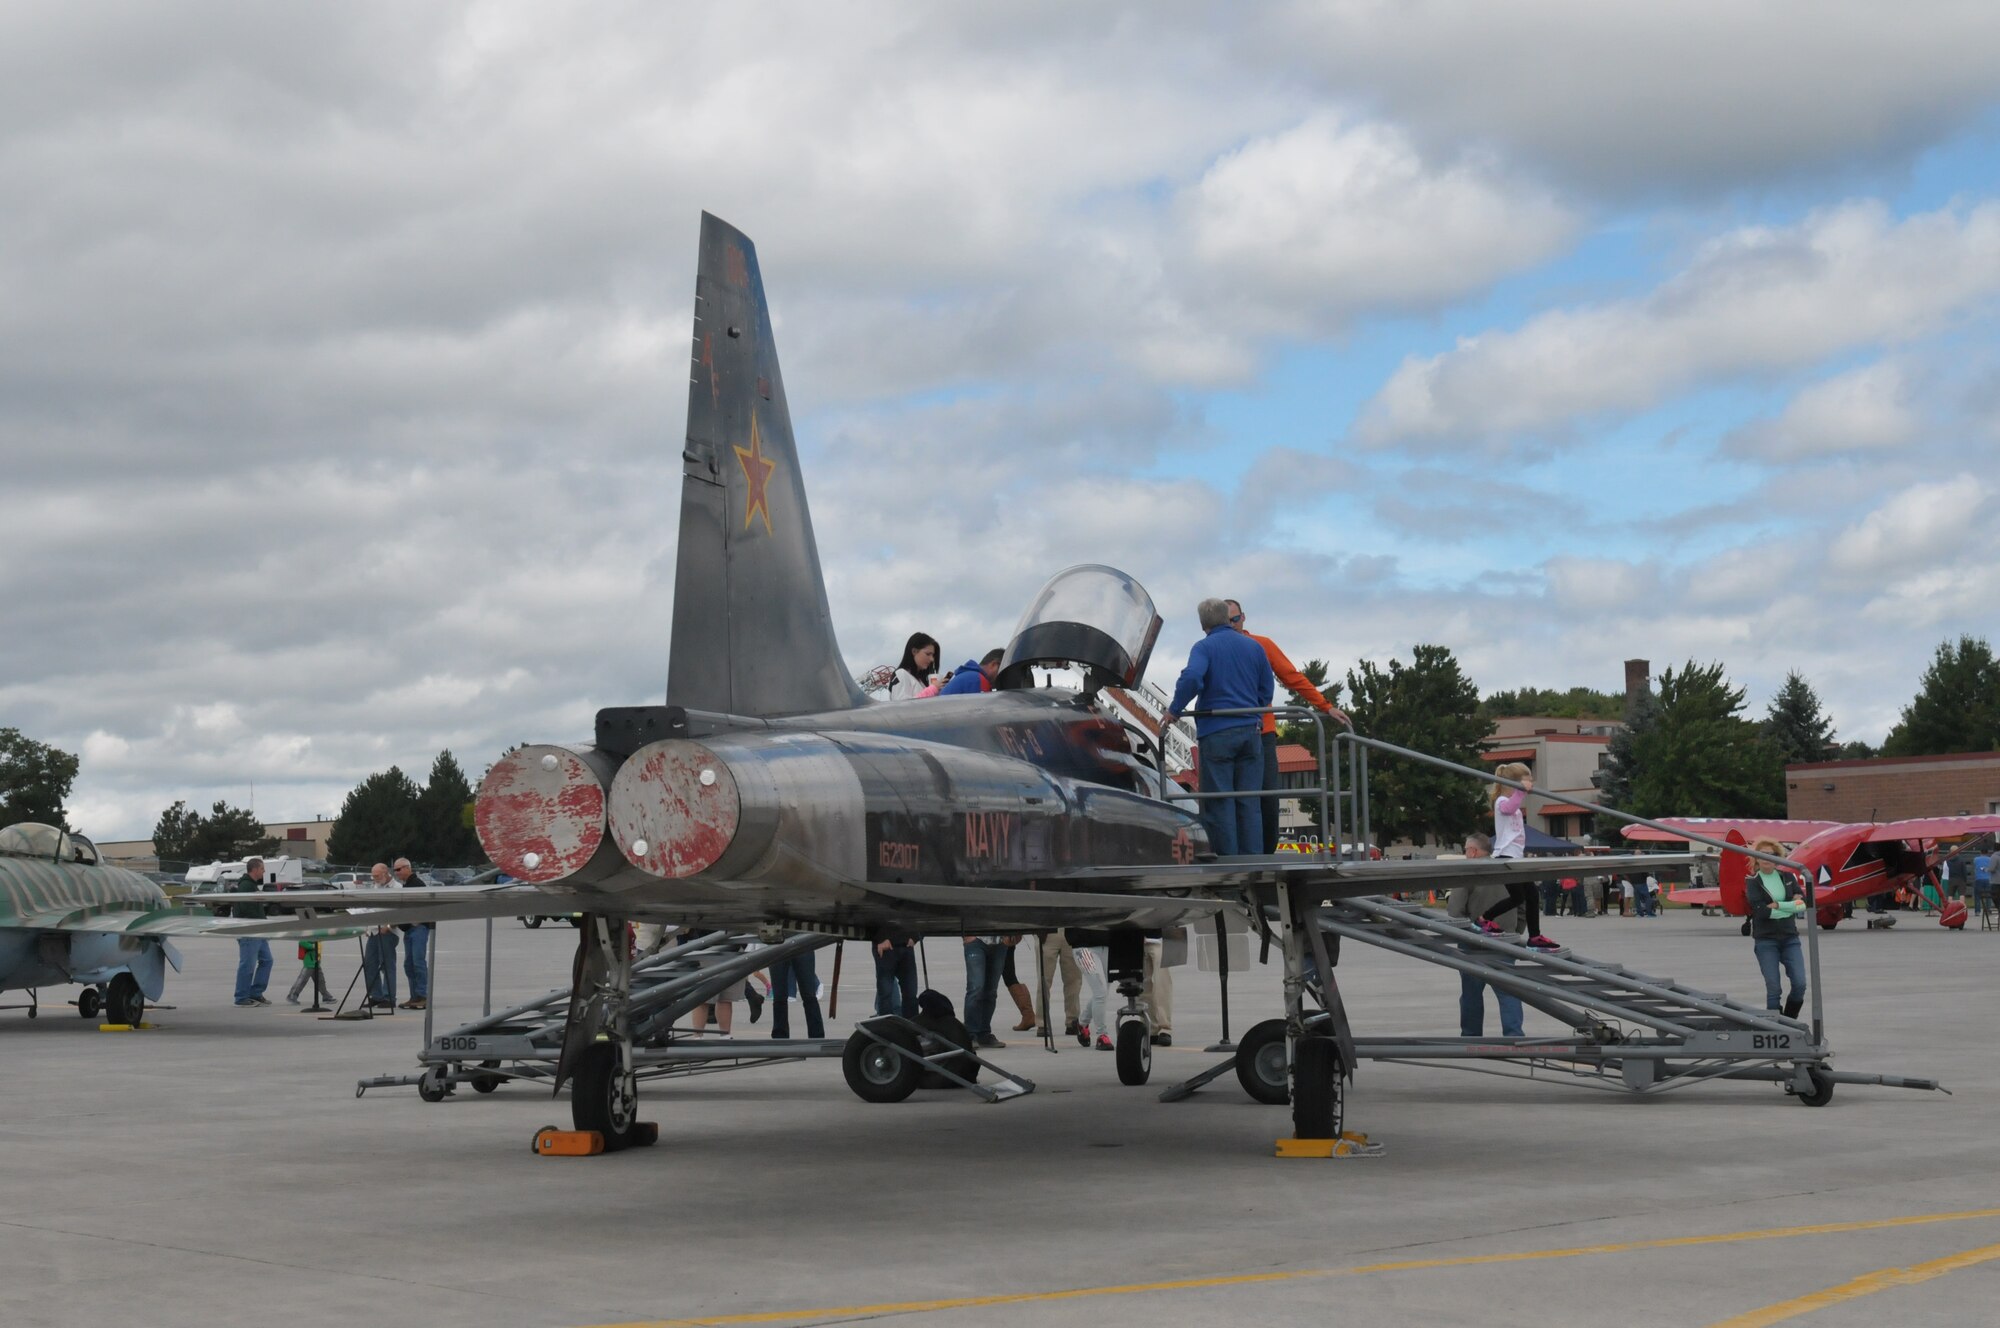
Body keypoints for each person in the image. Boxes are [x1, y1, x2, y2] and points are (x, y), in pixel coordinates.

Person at [1224, 600, 1348, 854]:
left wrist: (1325, 706)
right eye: (1226, 622)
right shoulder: (1214, 649)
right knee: (1227, 798)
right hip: (1226, 734)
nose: (1232, 625)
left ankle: (1265, 854)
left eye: (1235, 620)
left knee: (1267, 796)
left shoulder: (1262, 645)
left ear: (1244, 618)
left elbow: (1292, 677)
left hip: (1261, 733)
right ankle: (1231, 854)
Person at [1162, 598, 1274, 857]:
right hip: (1251, 732)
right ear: (1227, 617)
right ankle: (1252, 864)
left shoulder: (1204, 647)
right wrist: (1252, 710)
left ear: (1203, 624)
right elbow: (1267, 688)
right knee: (1249, 802)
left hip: (1217, 734)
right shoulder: (1254, 647)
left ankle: (1227, 864)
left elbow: (1191, 677)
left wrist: (1174, 710)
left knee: (1220, 802)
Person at [1447, 833, 1524, 1037]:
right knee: (1509, 992)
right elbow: (1524, 905)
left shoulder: (1468, 872)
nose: (1465, 854)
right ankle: (1514, 1035)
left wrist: (1466, 935)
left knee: (1471, 994)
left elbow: (1455, 911)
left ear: (1473, 851)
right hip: (1505, 942)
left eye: (1465, 850)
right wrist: (1515, 932)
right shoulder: (1508, 871)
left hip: (1473, 944)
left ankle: (1471, 1036)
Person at [1478, 763, 1557, 950]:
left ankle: (1534, 936)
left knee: (1527, 895)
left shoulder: (1512, 801)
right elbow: (1508, 808)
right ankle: (1485, 918)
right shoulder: (1501, 802)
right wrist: (1521, 792)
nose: (1531, 782)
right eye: (1528, 780)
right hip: (1505, 856)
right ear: (1514, 784)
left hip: (1515, 857)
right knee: (1522, 896)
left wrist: (1521, 792)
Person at [1746, 836, 1808, 1018]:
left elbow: (1803, 904)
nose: (1766, 858)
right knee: (1774, 988)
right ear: (1756, 857)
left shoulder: (1788, 877)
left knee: (1800, 984)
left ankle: (1789, 1021)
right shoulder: (1752, 881)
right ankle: (1774, 1024)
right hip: (1766, 940)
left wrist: (1779, 906)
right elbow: (1761, 912)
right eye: (1762, 854)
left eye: (1771, 854)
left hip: (1790, 938)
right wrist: (1790, 906)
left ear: (1778, 857)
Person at [227, 857, 274, 1006]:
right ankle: (241, 997)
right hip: (250, 931)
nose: (264, 871)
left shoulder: (252, 885)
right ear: (254, 869)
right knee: (247, 964)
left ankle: (255, 993)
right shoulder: (246, 886)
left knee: (267, 960)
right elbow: (246, 909)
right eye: (262, 868)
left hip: (259, 931)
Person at [358, 862, 400, 1010]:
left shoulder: (397, 888)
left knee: (387, 965)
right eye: (373, 876)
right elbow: (369, 907)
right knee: (369, 964)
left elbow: (399, 911)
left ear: (386, 873)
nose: (375, 878)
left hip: (387, 932)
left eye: (377, 876)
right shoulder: (375, 887)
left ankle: (389, 997)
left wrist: (388, 926)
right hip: (373, 931)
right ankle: (376, 995)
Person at [393, 857, 430, 1010]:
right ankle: (414, 996)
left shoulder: (417, 885)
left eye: (398, 869)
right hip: (409, 929)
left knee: (418, 962)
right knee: (409, 964)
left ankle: (423, 995)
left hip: (418, 928)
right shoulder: (407, 886)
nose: (397, 873)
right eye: (395, 870)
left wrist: (414, 921)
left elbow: (422, 907)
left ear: (408, 868)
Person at [767, 945, 825, 1040]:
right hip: (777, 942)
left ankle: (817, 1036)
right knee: (779, 996)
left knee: (809, 995)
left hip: (802, 942)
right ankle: (779, 1037)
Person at [961, 933, 1008, 1048]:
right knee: (976, 987)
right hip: (976, 939)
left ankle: (984, 1032)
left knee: (991, 990)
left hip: (1000, 941)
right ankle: (970, 1033)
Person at [1037, 931, 1082, 1037]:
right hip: (1048, 931)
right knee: (1044, 980)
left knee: (1074, 980)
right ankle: (1042, 1022)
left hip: (1071, 930)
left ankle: (1072, 1020)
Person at [873, 933, 919, 1018]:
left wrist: (915, 936)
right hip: (886, 945)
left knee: (910, 992)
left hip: (905, 944)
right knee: (885, 992)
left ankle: (911, 1024)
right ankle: (886, 1023)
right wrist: (881, 938)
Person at [1141, 931, 1174, 1046]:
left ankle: (1165, 1028)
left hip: (1159, 938)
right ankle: (1151, 1028)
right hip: (1136, 939)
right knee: (1143, 987)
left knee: (1162, 984)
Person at [889, 632, 941, 700]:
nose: (932, 659)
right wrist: (932, 689)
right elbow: (901, 705)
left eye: (933, 655)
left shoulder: (920, 681)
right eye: (928, 654)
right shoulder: (901, 673)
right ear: (914, 651)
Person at [937, 648, 1004, 696]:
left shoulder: (968, 676)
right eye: (1002, 671)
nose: (1002, 678)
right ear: (994, 665)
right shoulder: (978, 680)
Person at [285, 938, 331, 1007]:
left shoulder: (316, 933)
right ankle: (292, 995)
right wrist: (313, 946)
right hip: (309, 962)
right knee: (302, 980)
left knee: (320, 980)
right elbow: (302, 941)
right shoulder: (309, 934)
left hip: (316, 962)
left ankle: (326, 995)